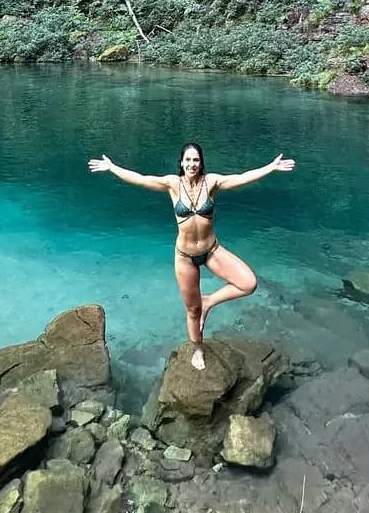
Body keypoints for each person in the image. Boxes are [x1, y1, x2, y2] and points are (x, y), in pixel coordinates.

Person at [88, 142, 295, 370]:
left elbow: (243, 177)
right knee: (192, 310)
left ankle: (209, 301)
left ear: (201, 162)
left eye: (195, 160)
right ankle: (197, 348)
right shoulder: (172, 184)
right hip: (185, 256)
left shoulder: (212, 182)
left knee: (249, 283)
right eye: (188, 160)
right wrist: (112, 167)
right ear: (182, 162)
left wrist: (271, 167)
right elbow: (140, 178)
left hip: (211, 250)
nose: (192, 164)